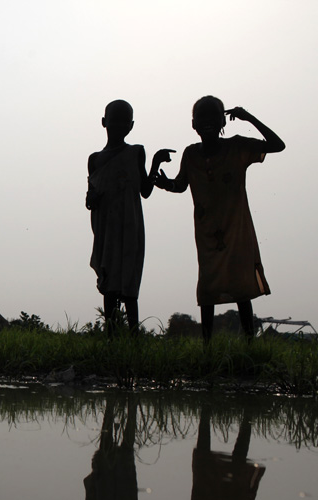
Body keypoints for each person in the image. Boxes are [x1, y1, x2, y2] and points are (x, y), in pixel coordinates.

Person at [155, 96, 285, 342]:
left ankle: (249, 346)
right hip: (207, 235)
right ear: (193, 124)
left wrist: (249, 117)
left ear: (222, 121)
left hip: (236, 232)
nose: (207, 124)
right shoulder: (191, 154)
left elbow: (277, 145)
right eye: (201, 119)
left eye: (212, 118)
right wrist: (164, 184)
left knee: (241, 288)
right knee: (208, 289)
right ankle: (208, 349)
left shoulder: (236, 148)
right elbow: (180, 184)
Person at [86, 100, 174, 334]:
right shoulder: (95, 159)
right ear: (104, 122)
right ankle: (112, 336)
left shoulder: (136, 152)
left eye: (124, 122)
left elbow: (144, 191)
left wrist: (155, 162)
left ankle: (133, 337)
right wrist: (92, 198)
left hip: (130, 226)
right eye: (114, 121)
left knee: (129, 284)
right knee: (109, 285)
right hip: (106, 230)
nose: (118, 126)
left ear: (131, 125)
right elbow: (90, 198)